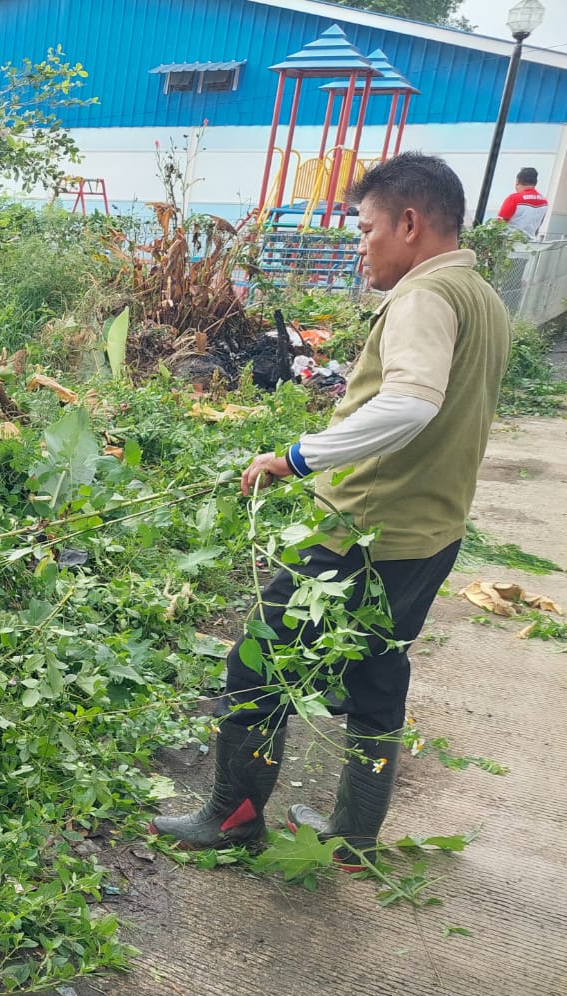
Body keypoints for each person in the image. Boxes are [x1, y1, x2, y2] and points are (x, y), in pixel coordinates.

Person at [151, 153, 510, 870]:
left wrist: (297, 456)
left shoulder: (422, 298)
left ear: (409, 224)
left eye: (366, 229)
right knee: (378, 671)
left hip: (363, 534)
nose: (361, 246)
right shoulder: (484, 299)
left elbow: (411, 403)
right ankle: (353, 834)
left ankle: (233, 816)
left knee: (255, 667)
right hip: (431, 532)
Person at [497, 167, 549, 238]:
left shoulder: (514, 198)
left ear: (517, 181)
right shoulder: (544, 201)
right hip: (530, 244)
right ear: (536, 182)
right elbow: (539, 225)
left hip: (511, 243)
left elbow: (499, 224)